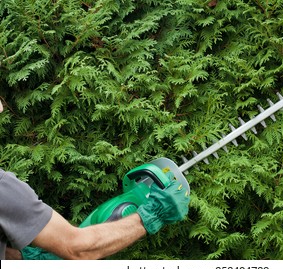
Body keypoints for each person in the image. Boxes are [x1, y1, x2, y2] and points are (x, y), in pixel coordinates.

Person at [0, 99, 190, 260]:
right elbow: (78, 249)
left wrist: (23, 258)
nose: (1, 106)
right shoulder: (4, 189)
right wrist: (151, 214)